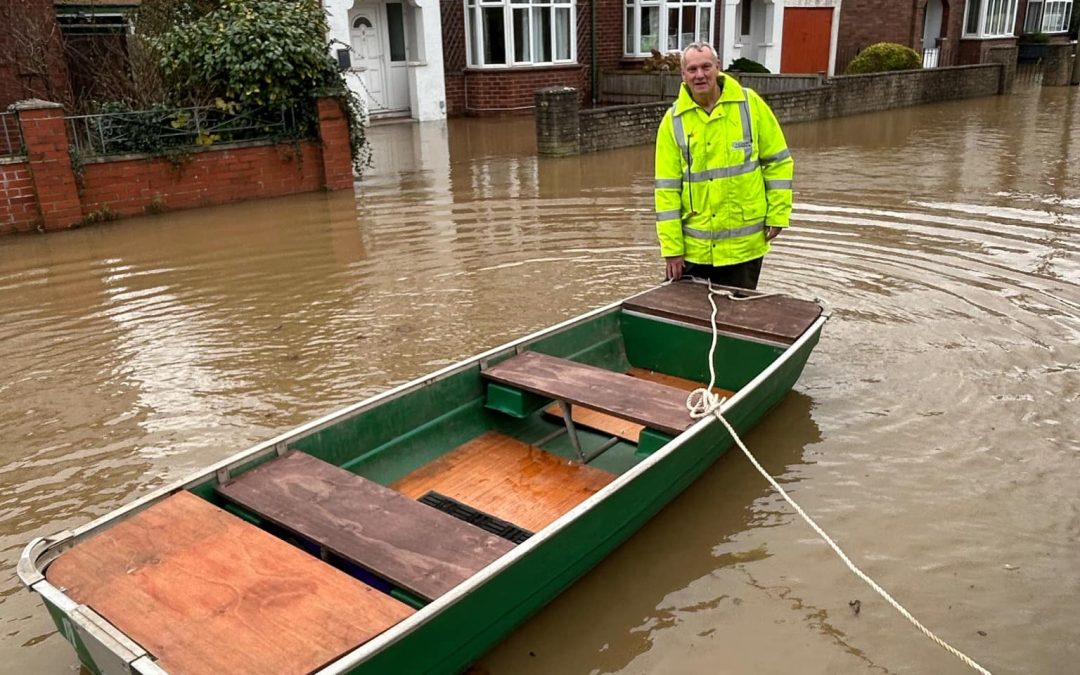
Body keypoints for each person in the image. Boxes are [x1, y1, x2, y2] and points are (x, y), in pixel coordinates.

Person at [654, 42, 793, 290]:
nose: (700, 75)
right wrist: (672, 249)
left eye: (706, 67)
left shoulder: (750, 105)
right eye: (693, 69)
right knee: (683, 318)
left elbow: (778, 162)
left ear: (718, 68)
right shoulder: (672, 121)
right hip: (694, 250)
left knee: (736, 320)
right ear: (683, 75)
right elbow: (666, 190)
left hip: (743, 248)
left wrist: (778, 214)